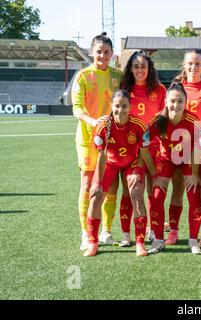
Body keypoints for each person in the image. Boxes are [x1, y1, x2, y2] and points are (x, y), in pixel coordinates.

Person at [83, 89, 155, 257]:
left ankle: (139, 243)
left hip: (132, 163)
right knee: (96, 196)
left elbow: (144, 152)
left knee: (136, 194)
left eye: (124, 106)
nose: (120, 110)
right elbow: (101, 156)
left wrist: (146, 172)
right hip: (110, 164)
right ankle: (93, 243)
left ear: (130, 107)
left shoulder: (139, 125)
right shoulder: (102, 126)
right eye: (117, 106)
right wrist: (98, 183)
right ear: (111, 106)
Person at [71, 32, 122, 250]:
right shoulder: (82, 76)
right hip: (87, 139)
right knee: (88, 185)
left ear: (112, 54)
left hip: (113, 141)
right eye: (99, 51)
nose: (102, 56)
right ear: (92, 52)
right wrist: (93, 122)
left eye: (106, 52)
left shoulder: (118, 76)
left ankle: (106, 231)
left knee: (110, 187)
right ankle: (86, 232)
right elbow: (77, 108)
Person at [164, 49, 201, 246]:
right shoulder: (176, 88)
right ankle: (173, 230)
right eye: (190, 63)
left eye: (197, 64)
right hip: (178, 146)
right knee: (178, 188)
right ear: (184, 65)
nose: (193, 67)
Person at [114, 50, 166, 246]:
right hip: (131, 149)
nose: (140, 70)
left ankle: (153, 229)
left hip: (153, 148)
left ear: (149, 68)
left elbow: (163, 119)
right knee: (131, 190)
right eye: (136, 66)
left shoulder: (159, 89)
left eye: (143, 66)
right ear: (130, 69)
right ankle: (126, 234)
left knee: (154, 190)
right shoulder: (125, 88)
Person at [148, 83, 201, 255]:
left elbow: (197, 149)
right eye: (172, 101)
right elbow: (145, 146)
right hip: (166, 159)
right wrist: (155, 175)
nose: (176, 105)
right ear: (165, 101)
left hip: (187, 159)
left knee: (194, 194)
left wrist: (194, 174)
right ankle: (158, 239)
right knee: (157, 195)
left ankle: (193, 240)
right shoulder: (158, 120)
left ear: (186, 102)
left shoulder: (194, 121)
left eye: (180, 101)